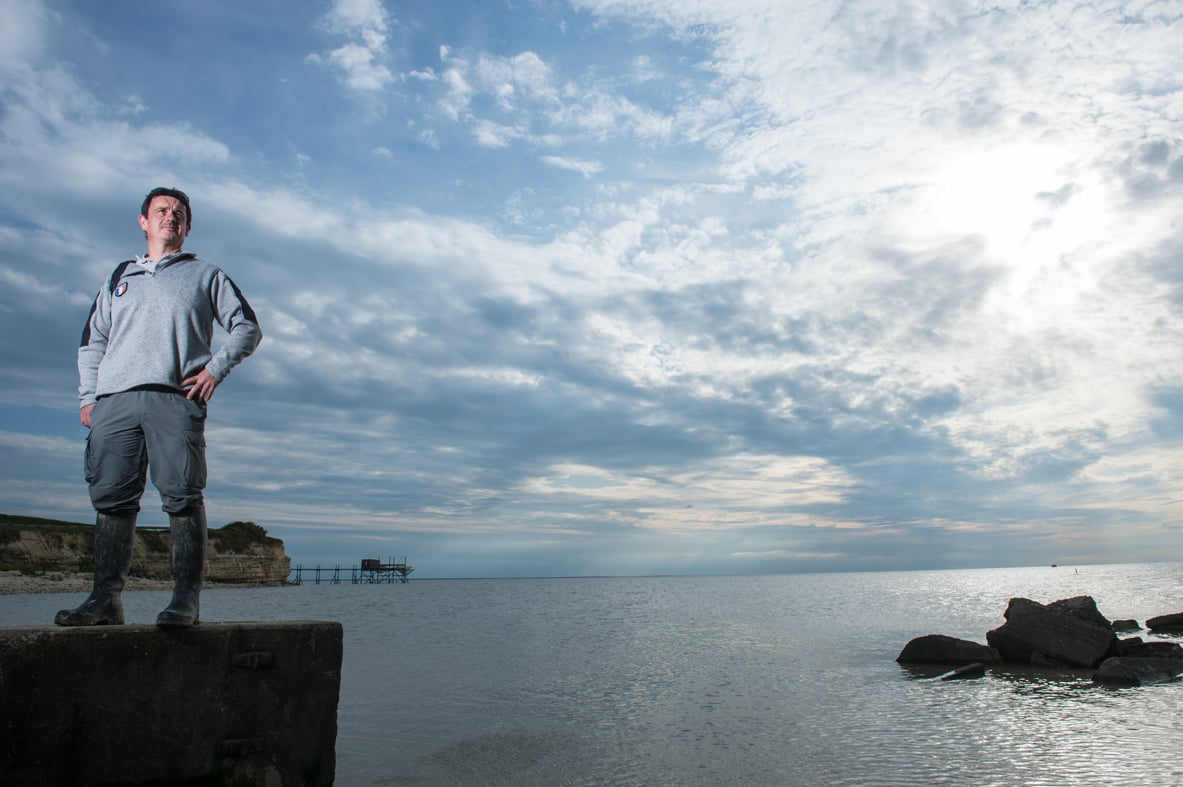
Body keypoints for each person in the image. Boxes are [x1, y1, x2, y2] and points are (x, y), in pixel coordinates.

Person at [56, 187, 262, 628]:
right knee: (112, 500)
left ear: (187, 227)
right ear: (143, 221)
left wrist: (214, 371)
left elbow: (246, 328)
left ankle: (185, 601)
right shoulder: (117, 279)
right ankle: (104, 600)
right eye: (162, 211)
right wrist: (88, 397)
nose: (171, 217)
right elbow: (92, 343)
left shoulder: (207, 274)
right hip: (114, 403)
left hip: (175, 398)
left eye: (179, 213)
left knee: (183, 496)